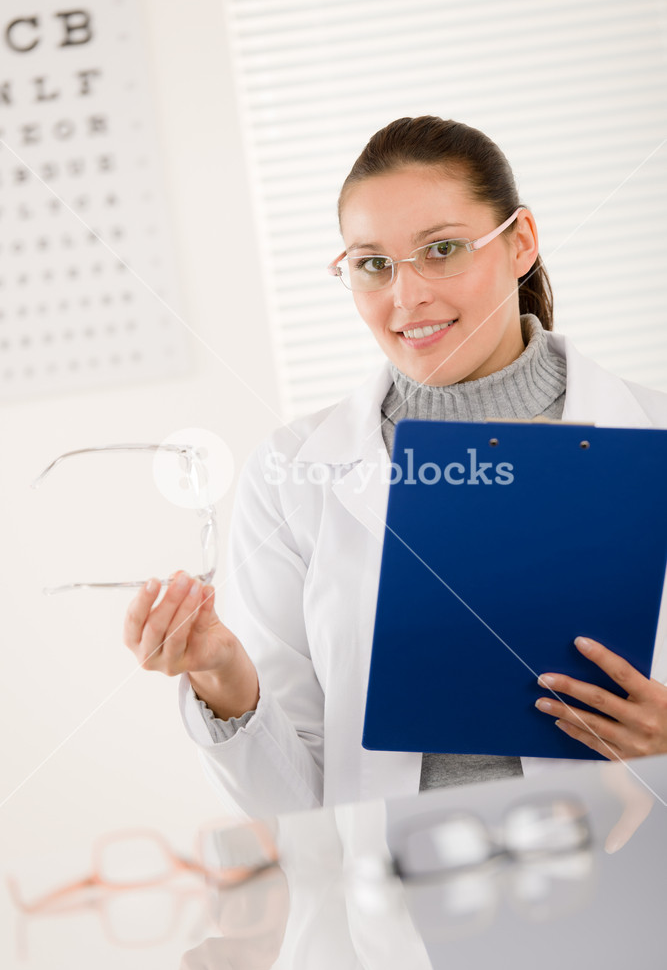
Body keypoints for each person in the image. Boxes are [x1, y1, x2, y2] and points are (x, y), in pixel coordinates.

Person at [123, 116, 667, 818]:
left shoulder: (649, 436)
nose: (405, 298)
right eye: (372, 264)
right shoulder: (293, 473)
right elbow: (295, 807)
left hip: (623, 896)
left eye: (441, 250)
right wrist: (220, 673)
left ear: (520, 243)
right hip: (399, 909)